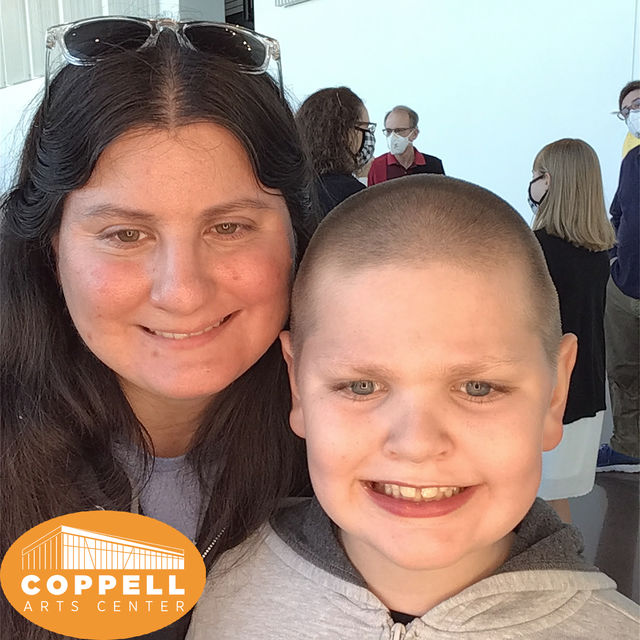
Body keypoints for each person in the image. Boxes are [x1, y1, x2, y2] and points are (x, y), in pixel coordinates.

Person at [187, 175, 639, 639]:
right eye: (362, 386)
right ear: (298, 387)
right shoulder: (218, 592)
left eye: (478, 388)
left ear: (555, 394)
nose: (417, 443)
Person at [0, 17, 315, 640]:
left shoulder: (379, 450)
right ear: (50, 247)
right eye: (125, 234)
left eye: (229, 227)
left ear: (295, 237)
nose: (182, 291)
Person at [528, 139, 615, 521]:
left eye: (538, 174)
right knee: (554, 499)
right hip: (585, 392)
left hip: (547, 395)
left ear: (551, 181)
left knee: (537, 500)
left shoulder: (538, 249)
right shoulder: (596, 253)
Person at [597, 80, 640, 473]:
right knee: (623, 371)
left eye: (638, 104)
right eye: (626, 111)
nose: (633, 115)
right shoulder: (631, 161)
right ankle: (628, 446)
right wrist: (614, 258)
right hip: (625, 287)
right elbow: (617, 214)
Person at [295, 87, 375, 218]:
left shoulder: (294, 187)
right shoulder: (351, 194)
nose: (369, 135)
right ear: (346, 132)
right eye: (365, 127)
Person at [367, 105, 444, 185]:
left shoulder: (434, 165)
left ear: (414, 134)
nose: (393, 136)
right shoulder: (376, 166)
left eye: (399, 130)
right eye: (389, 131)